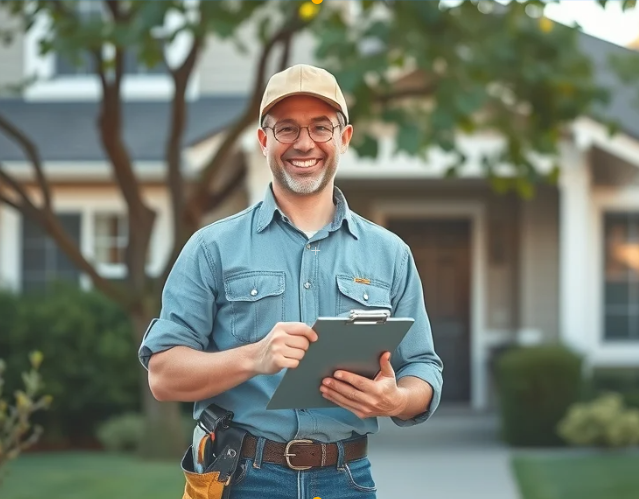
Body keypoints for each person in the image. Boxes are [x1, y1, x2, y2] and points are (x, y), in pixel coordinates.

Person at [138, 63, 443, 499]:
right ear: (264, 141)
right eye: (286, 129)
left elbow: (423, 368)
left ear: (345, 138)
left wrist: (397, 401)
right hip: (239, 478)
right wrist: (253, 358)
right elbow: (163, 377)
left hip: (348, 480)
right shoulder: (211, 247)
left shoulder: (390, 253)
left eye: (322, 127)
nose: (304, 144)